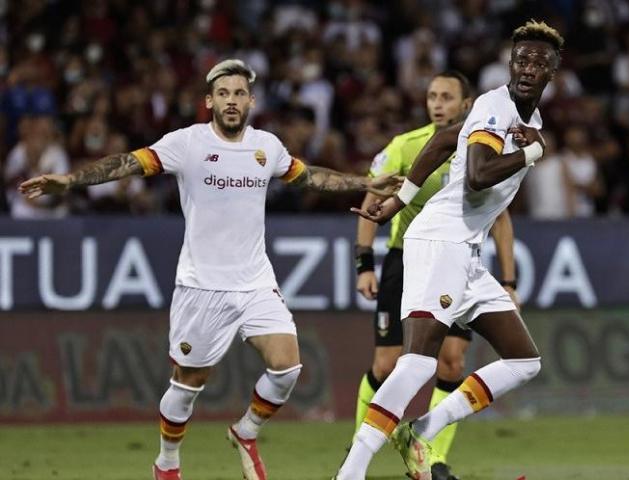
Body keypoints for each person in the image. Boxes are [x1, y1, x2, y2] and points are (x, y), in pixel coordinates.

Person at [19, 59, 400, 480]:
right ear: (209, 101)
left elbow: (311, 177)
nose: (231, 101)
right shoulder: (187, 144)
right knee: (186, 386)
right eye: (223, 94)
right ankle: (166, 463)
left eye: (239, 94)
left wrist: (367, 183)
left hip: (255, 282)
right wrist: (70, 180)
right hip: (201, 287)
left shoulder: (266, 147)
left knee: (288, 366)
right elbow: (127, 162)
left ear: (251, 101)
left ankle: (245, 431)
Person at [337, 20, 563, 480]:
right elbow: (479, 174)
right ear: (509, 64)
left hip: (467, 253)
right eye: (521, 59)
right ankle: (351, 471)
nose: (528, 68)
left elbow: (443, 140)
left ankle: (422, 426)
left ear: (552, 73)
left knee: (524, 361)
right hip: (440, 242)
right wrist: (533, 154)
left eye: (539, 62)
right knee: (418, 362)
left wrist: (401, 199)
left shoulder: (527, 119)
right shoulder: (498, 110)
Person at [353, 71, 519, 480]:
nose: (437, 103)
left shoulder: (484, 144)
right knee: (389, 363)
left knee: (451, 361)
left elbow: (501, 220)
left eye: (446, 97)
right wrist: (364, 264)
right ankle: (359, 446)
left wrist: (510, 282)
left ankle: (433, 457)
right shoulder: (407, 145)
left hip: (461, 261)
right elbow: (374, 198)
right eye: (431, 96)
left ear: (466, 105)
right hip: (405, 259)